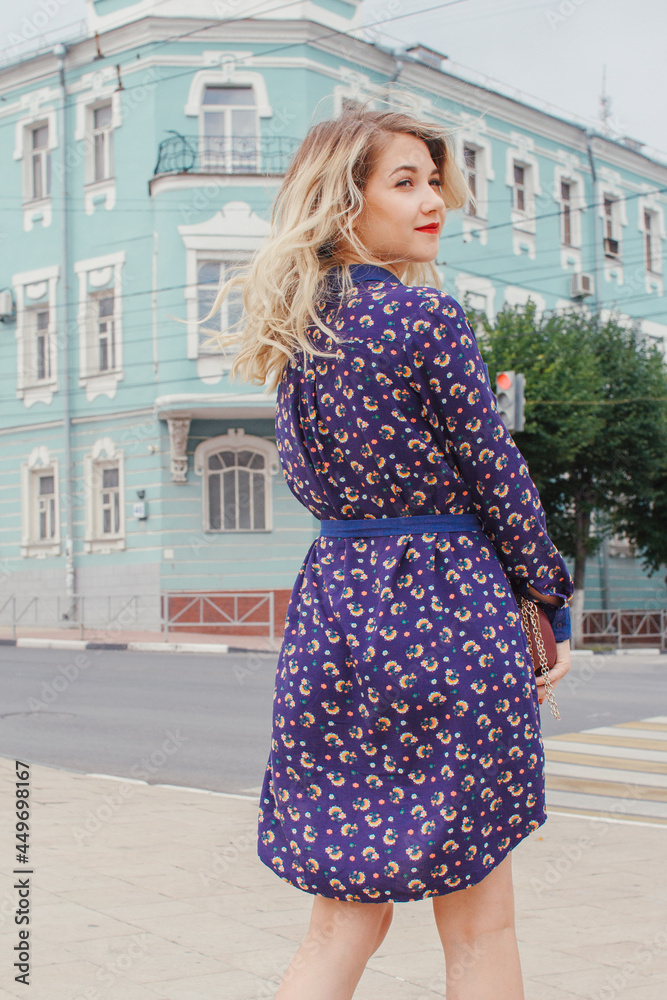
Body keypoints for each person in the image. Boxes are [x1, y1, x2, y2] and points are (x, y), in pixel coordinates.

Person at [206, 107, 574, 1000]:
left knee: (343, 920)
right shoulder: (424, 318)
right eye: (403, 182)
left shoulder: (298, 339)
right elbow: (496, 473)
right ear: (344, 203)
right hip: (447, 610)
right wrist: (547, 598)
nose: (431, 199)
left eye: (433, 180)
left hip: (336, 615)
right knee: (480, 922)